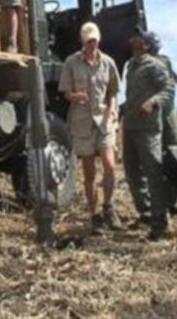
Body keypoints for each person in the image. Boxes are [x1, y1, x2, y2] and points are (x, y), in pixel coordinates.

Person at [59, 21, 121, 230]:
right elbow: (66, 93)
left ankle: (109, 206)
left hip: (104, 121)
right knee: (89, 173)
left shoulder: (108, 63)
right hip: (82, 122)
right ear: (83, 42)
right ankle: (94, 214)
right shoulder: (71, 63)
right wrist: (75, 96)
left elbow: (113, 91)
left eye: (94, 40)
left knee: (110, 165)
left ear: (98, 40)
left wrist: (112, 109)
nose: (92, 45)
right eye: (88, 41)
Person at [122, 26, 175, 239]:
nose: (135, 41)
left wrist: (153, 102)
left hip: (149, 128)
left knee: (153, 172)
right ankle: (146, 213)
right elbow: (133, 96)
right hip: (131, 126)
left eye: (140, 38)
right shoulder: (130, 66)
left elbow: (168, 89)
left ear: (146, 44)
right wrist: (121, 109)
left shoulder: (155, 65)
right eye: (134, 37)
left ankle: (160, 221)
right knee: (133, 173)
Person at [144, 31, 177, 211]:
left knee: (174, 153)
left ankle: (171, 201)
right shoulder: (142, 64)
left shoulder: (165, 61)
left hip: (168, 113)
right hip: (153, 115)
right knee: (155, 159)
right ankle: (158, 203)